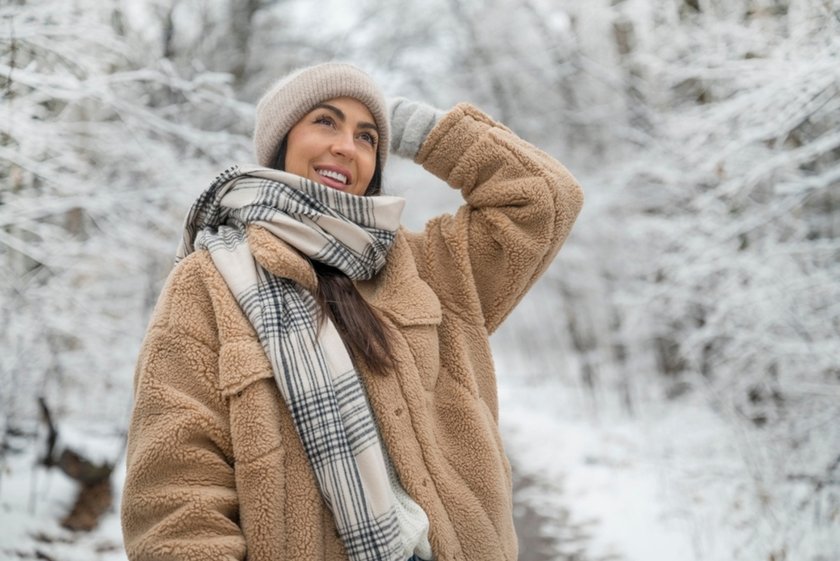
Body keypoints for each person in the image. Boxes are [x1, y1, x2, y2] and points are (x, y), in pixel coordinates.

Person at [121, 62, 584, 561]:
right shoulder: (208, 283)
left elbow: (544, 197)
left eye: (367, 137)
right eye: (325, 121)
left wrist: (414, 128)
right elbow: (177, 492)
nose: (347, 146)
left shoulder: (429, 268)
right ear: (280, 142)